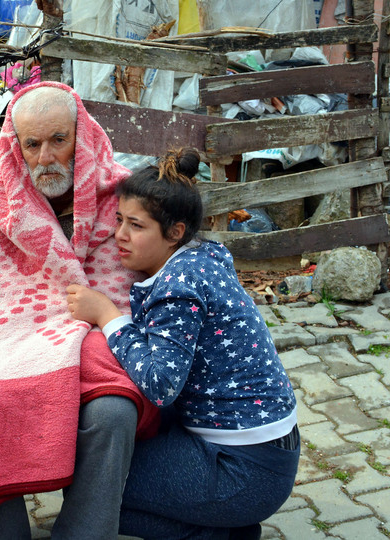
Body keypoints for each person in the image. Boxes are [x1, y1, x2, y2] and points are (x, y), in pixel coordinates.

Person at [0, 82, 158, 540]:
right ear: (17, 144)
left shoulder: (124, 196)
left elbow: (140, 293)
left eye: (59, 139)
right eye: (32, 144)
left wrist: (95, 322)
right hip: (2, 342)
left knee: (113, 412)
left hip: (99, 338)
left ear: (83, 135)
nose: (47, 156)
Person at [66, 148, 299, 540]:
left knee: (93, 486)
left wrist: (107, 316)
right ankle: (225, 519)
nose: (119, 235)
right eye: (119, 220)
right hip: (265, 453)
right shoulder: (203, 257)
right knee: (103, 475)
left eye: (136, 226)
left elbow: (161, 385)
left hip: (243, 468)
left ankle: (221, 532)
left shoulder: (178, 287)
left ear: (174, 232)